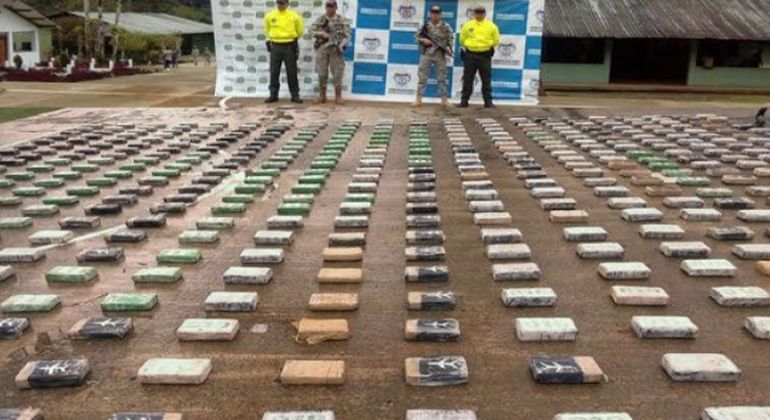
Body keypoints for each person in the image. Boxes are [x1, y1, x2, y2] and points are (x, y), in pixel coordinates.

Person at [458, 5, 500, 108]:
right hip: (470, 55)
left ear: (485, 14)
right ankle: (464, 101)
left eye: (481, 13)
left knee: (486, 80)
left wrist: (485, 46)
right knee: (468, 79)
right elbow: (462, 40)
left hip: (485, 56)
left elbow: (496, 41)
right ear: (474, 14)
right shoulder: (467, 25)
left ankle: (488, 101)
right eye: (477, 12)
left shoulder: (492, 26)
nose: (479, 15)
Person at [264, 0, 304, 104]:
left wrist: (291, 38)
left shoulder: (294, 16)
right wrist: (270, 40)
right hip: (275, 46)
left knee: (292, 72)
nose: (280, 5)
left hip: (289, 46)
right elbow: (267, 30)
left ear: (287, 3)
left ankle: (295, 95)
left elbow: (300, 31)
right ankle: (273, 95)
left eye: (282, 3)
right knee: (274, 71)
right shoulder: (269, 15)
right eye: (278, 2)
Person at [311, 0, 351, 105]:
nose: (330, 8)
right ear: (325, 7)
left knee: (337, 73)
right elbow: (311, 31)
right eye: (328, 6)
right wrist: (321, 33)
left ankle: (338, 97)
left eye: (332, 6)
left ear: (336, 7)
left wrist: (341, 45)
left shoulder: (342, 20)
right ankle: (322, 96)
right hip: (322, 49)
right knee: (322, 73)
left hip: (336, 50)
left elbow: (347, 35)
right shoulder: (321, 19)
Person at [414, 5, 453, 108]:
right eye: (433, 13)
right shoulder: (425, 26)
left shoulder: (446, 26)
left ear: (440, 14)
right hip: (426, 54)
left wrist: (449, 48)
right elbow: (416, 37)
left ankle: (444, 100)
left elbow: (450, 39)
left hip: (440, 54)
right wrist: (423, 40)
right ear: (430, 14)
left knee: (442, 78)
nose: (435, 15)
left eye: (437, 13)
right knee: (422, 77)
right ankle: (418, 99)